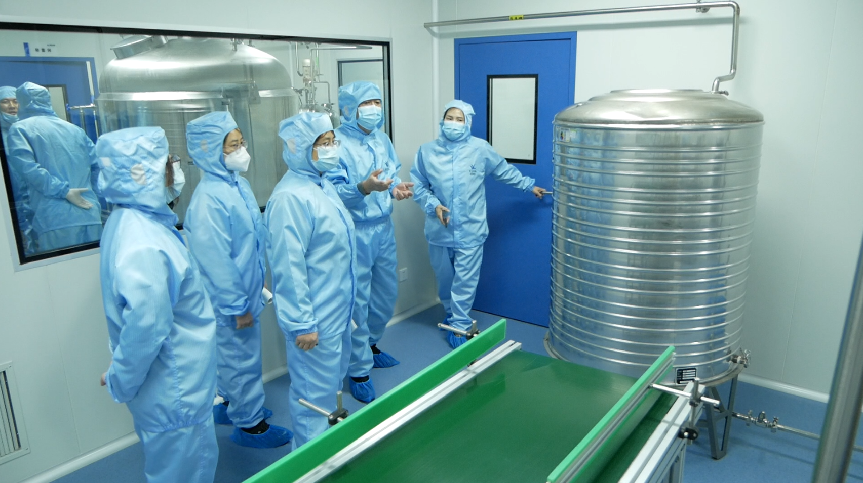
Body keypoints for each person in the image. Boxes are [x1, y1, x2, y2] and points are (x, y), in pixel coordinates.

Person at [97, 126, 218, 483]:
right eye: (168, 162)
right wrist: (120, 379)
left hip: (168, 388)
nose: (175, 169)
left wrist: (120, 371)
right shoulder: (144, 241)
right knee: (186, 472)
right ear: (144, 172)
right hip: (177, 392)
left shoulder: (128, 221)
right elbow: (146, 328)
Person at [184, 111, 291, 449]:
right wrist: (236, 306)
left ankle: (230, 406)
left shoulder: (236, 185)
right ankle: (250, 425)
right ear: (209, 150)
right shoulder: (208, 200)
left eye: (242, 142)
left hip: (244, 292)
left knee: (232, 358)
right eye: (233, 145)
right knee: (241, 360)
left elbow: (248, 245)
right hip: (230, 301)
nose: (242, 150)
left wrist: (256, 284)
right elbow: (216, 262)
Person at [411, 100, 547, 349]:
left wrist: (528, 185)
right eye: (449, 117)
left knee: (465, 280)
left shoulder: (480, 149)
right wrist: (433, 205)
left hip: (470, 228)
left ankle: (460, 324)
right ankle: (451, 313)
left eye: (459, 119)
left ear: (468, 123)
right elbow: (418, 185)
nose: (453, 123)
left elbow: (503, 170)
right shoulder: (426, 151)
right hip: (439, 228)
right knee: (444, 277)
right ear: (442, 120)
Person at [265, 112, 356, 449]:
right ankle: (310, 464)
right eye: (323, 143)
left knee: (328, 390)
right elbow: (288, 267)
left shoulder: (321, 184)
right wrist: (302, 323)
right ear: (301, 148)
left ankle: (327, 452)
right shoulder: (290, 198)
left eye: (333, 141)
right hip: (314, 317)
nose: (332, 149)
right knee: (312, 401)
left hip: (335, 310)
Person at [324, 81, 413, 403]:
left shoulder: (381, 138)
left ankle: (371, 344)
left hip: (383, 227)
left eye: (377, 102)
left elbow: (390, 174)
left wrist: (395, 188)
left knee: (387, 292)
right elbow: (333, 191)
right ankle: (358, 369)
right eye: (366, 103)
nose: (374, 108)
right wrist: (363, 188)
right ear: (349, 108)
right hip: (355, 229)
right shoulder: (335, 143)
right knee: (358, 300)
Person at [6, 82, 102, 252]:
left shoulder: (19, 129)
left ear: (23, 102)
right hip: (90, 213)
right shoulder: (75, 129)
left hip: (56, 219)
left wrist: (64, 191)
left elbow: (28, 170)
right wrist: (93, 198)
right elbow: (97, 168)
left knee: (64, 268)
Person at [0, 85, 36, 255]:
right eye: (5, 102)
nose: (11, 106)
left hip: (33, 194)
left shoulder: (28, 129)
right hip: (8, 200)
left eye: (15, 101)